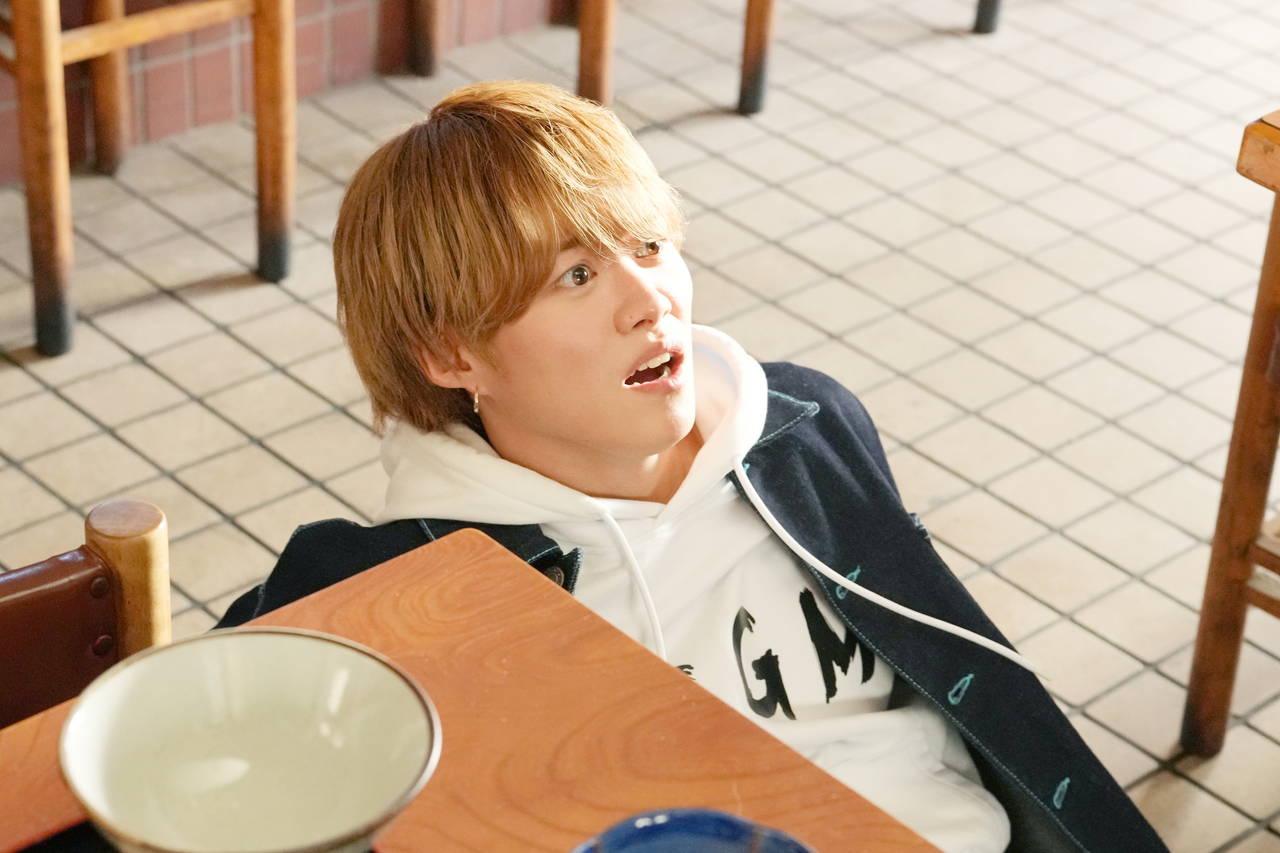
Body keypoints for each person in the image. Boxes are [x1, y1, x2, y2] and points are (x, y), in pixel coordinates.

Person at [217, 80, 1167, 853]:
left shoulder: (802, 429)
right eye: (575, 276)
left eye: (650, 245)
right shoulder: (398, 589)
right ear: (449, 353)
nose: (650, 300)